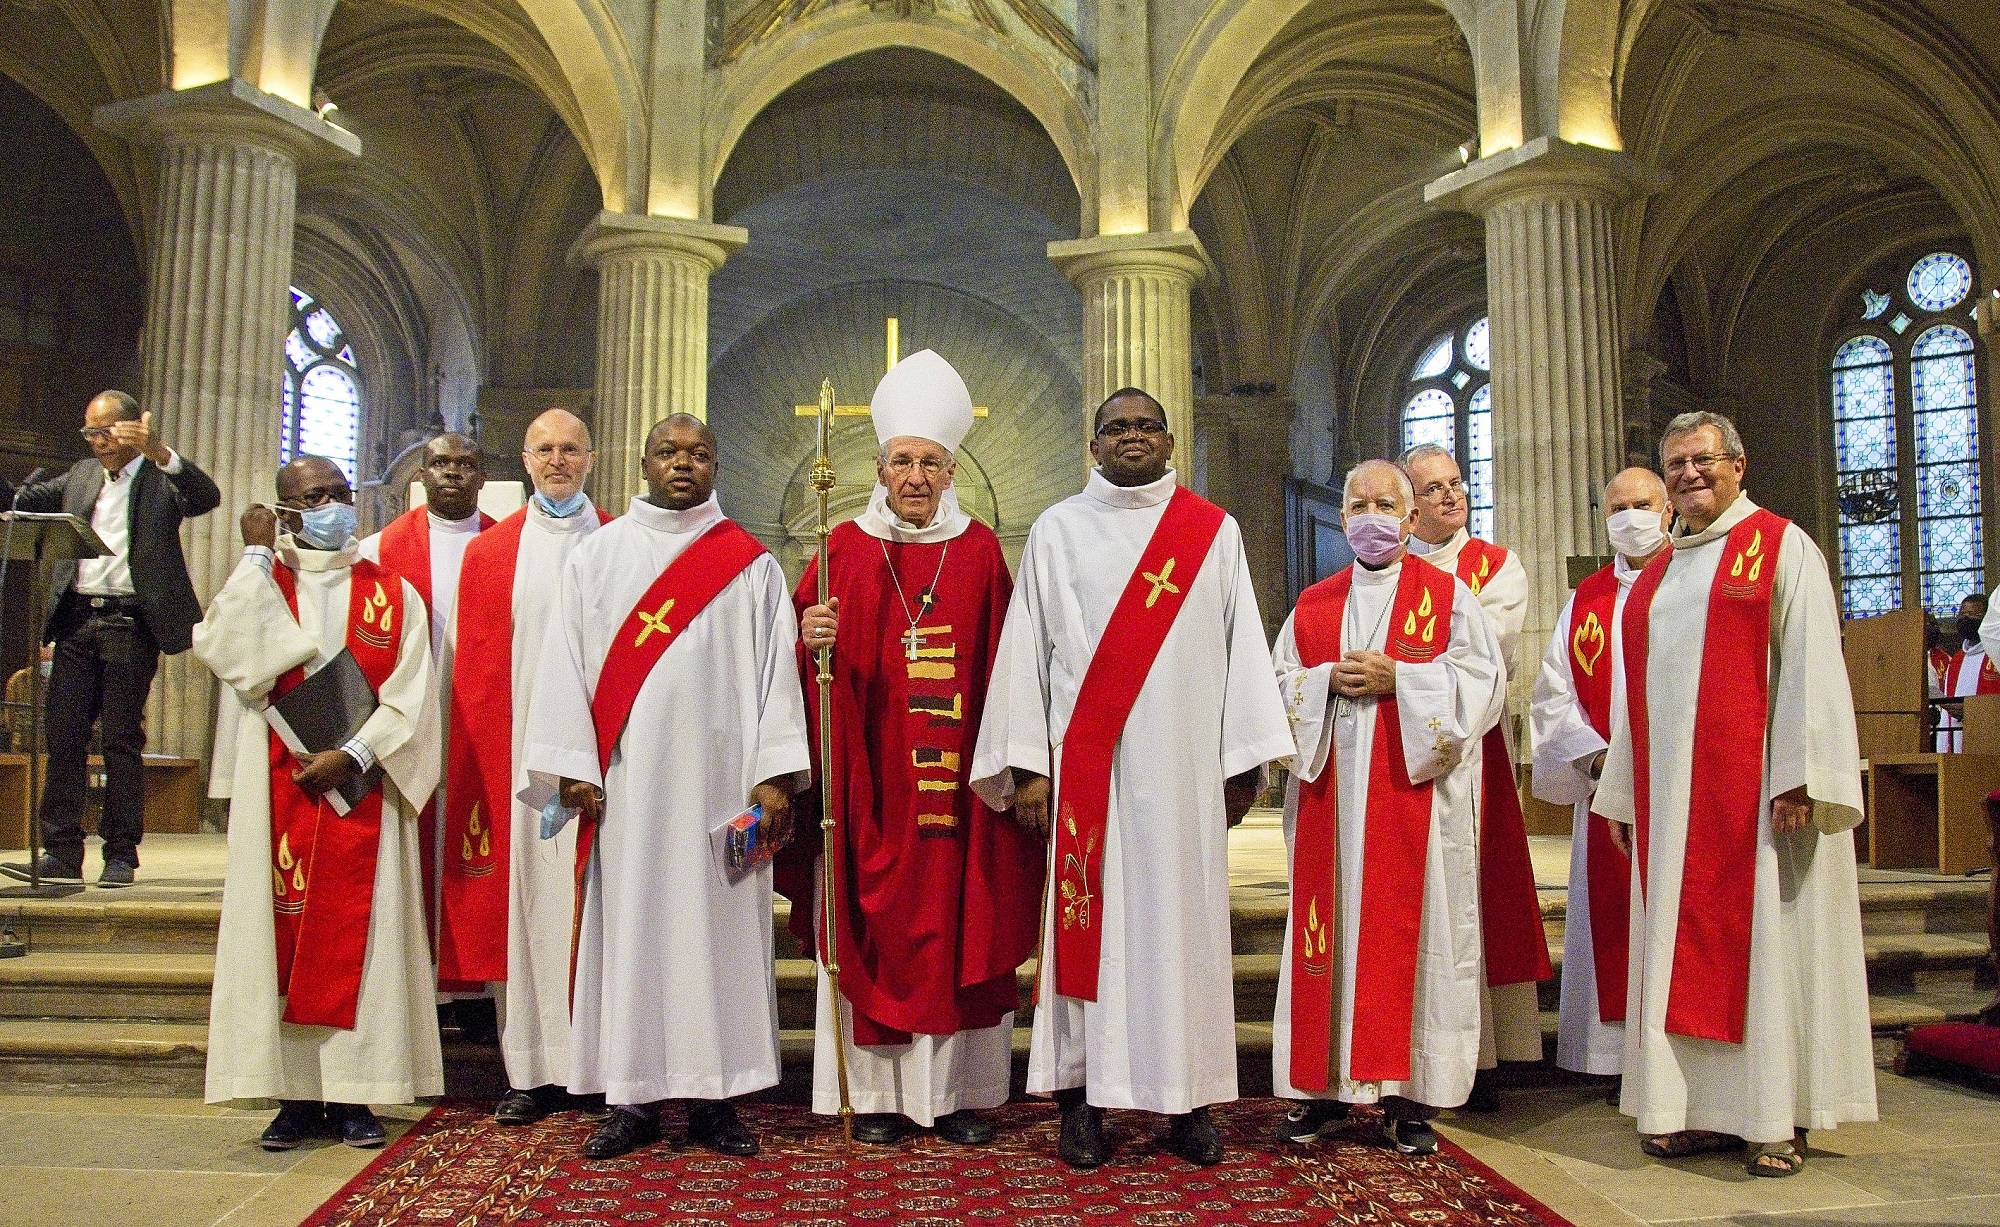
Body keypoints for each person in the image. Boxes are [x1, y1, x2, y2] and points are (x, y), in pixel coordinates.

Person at [970, 387, 1294, 1170]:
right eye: (1117, 427)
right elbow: (1027, 655)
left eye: (1146, 425)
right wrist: (1031, 768)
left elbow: (1242, 646)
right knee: (1092, 940)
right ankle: (1082, 1102)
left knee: (1184, 939)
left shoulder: (1210, 532)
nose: (1133, 437)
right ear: (1094, 445)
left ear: (1170, 438)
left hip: (1183, 777)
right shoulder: (1056, 530)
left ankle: (1189, 1103)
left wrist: (1242, 763)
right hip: (1088, 778)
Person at [520, 414, 811, 1161]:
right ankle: (633, 1097)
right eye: (668, 452)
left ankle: (718, 1099)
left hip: (724, 791)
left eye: (699, 453)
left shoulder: (750, 564)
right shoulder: (599, 556)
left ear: (717, 464)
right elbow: (566, 666)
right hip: (630, 792)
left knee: (722, 938)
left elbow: (779, 674)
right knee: (633, 935)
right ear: (643, 460)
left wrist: (777, 772)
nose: (683, 463)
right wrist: (573, 769)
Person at [1595, 411, 1876, 1177]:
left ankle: (1771, 1117)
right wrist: (1621, 794)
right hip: (1673, 806)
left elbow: (1815, 665)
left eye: (1703, 460)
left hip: (1755, 803)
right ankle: (1689, 1110)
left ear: (1739, 464)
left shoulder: (1783, 547)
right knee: (1678, 953)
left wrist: (1799, 775)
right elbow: (1636, 694)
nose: (1689, 474)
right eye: (1676, 463)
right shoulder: (1655, 575)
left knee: (1767, 953)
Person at [785, 351, 1042, 1147]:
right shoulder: (841, 552)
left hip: (961, 790)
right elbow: (799, 675)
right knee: (874, 927)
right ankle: (880, 1100)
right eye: (903, 461)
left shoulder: (979, 556)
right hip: (870, 787)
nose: (917, 476)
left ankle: (960, 1095)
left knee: (964, 923)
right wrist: (809, 639)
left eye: (931, 462)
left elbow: (1011, 664)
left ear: (952, 468)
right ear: (879, 466)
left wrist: (1018, 771)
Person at [194, 455, 443, 1151]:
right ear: (287, 510)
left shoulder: (394, 593)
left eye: (339, 493)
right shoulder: (262, 580)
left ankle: (359, 1091)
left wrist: (354, 754)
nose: (332, 506)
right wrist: (250, 552)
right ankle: (296, 1097)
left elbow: (413, 695)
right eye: (314, 497)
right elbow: (221, 643)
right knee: (277, 936)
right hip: (278, 787)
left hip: (360, 782)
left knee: (367, 938)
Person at [1268, 459, 1505, 1157]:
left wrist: (1400, 677)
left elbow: (1481, 686)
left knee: (1418, 937)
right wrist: (1319, 682)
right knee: (1327, 940)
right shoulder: (1312, 605)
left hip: (1416, 810)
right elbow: (1273, 686)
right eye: (1358, 503)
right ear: (1342, 519)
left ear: (1409, 519)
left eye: (1385, 503)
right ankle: (1321, 1093)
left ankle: (1408, 1099)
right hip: (1329, 810)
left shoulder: (1449, 596)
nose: (1371, 515)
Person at [437, 409, 611, 1125]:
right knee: (525, 916)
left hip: (602, 767)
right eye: (545, 449)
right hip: (518, 767)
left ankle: (600, 1067)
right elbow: (471, 676)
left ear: (591, 458)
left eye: (570, 448)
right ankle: (530, 1070)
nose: (558, 460)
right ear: (524, 459)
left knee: (594, 916)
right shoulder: (490, 553)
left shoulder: (620, 542)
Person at [0, 391, 220, 888]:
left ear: (131, 428)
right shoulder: (80, 475)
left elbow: (207, 496)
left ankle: (120, 854)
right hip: (77, 621)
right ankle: (60, 855)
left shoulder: (159, 477)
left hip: (130, 623)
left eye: (106, 432)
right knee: (65, 740)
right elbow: (24, 499)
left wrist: (159, 451)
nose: (98, 443)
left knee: (121, 742)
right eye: (90, 434)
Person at [1398, 442, 1547, 1108]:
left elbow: (1482, 658)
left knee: (1472, 904)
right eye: (1434, 488)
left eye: (1456, 482)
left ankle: (1480, 1059)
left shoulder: (1496, 567)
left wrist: (1396, 674)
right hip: (1399, 762)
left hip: (1473, 758)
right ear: (1408, 503)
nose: (1452, 495)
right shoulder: (1387, 571)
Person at [1528, 467, 1671, 1087]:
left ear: (1667, 510)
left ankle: (1672, 1056)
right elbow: (1553, 692)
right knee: (1613, 920)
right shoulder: (1586, 599)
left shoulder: (1689, 585)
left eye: (1642, 503)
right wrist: (1594, 758)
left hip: (1679, 789)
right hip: (1606, 787)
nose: (1630, 516)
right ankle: (1613, 1059)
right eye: (1618, 506)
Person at [360, 432, 493, 978]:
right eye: (441, 463)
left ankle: (476, 981)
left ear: (482, 476)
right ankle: (416, 982)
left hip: (486, 710)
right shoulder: (377, 551)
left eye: (465, 464)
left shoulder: (511, 544)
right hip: (408, 710)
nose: (453, 473)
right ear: (421, 473)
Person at [1934, 593, 1993, 751]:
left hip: (1989, 740)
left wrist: (1972, 711)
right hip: (1955, 739)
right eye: (1962, 614)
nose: (1966, 618)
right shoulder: (1957, 659)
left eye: (1973, 614)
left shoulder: (1996, 654)